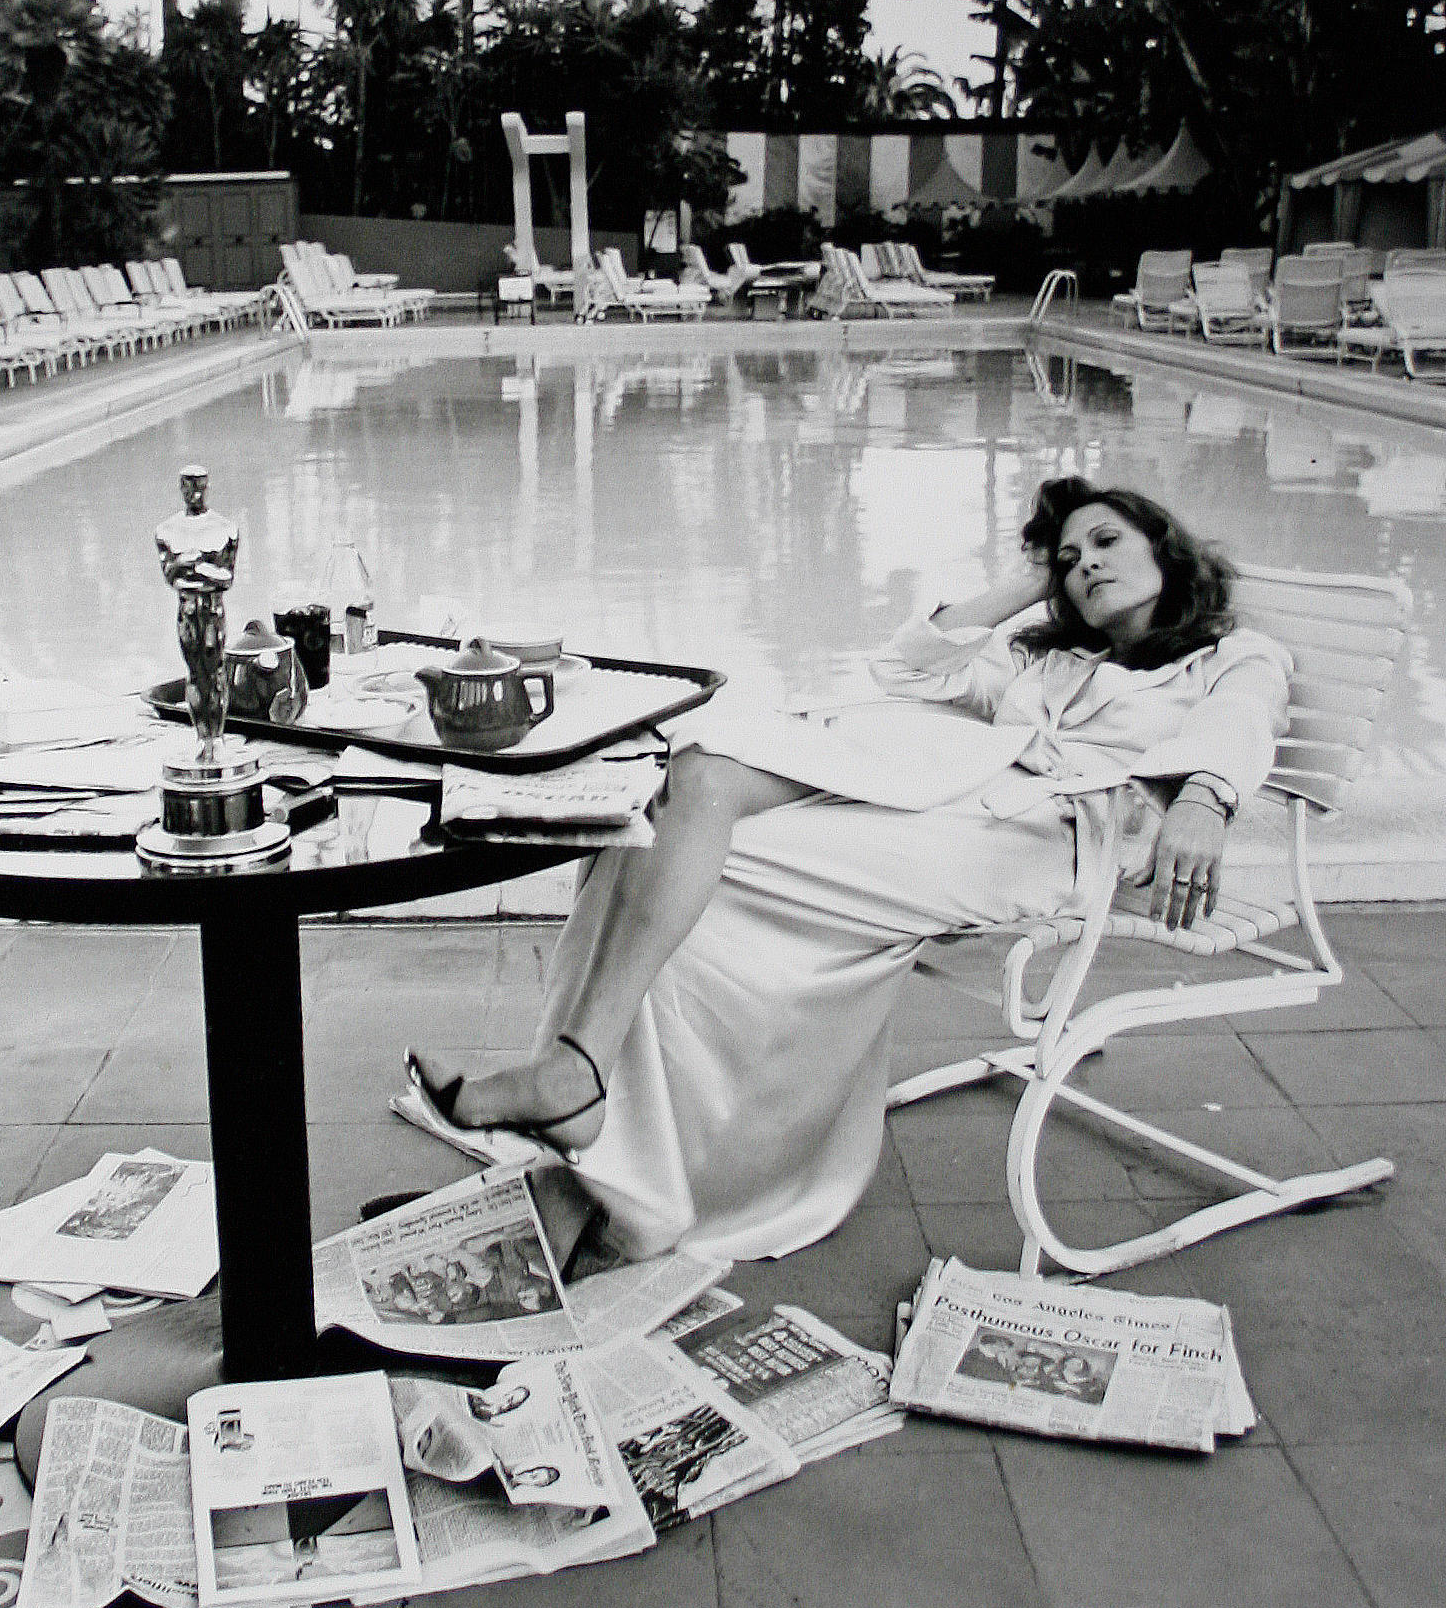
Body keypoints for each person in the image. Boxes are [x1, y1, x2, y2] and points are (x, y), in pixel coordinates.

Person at [408, 477, 1291, 1261]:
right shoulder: (1050, 658)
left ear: (1163, 547)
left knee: (695, 852)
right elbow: (904, 665)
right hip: (950, 803)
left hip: (1046, 840)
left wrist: (1204, 797)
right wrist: (1029, 584)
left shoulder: (1229, 654)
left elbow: (1244, 719)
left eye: (1106, 542)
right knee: (688, 789)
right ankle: (577, 1075)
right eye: (1069, 557)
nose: (1086, 563)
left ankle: (615, 1125)